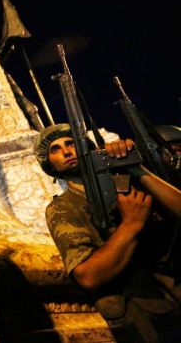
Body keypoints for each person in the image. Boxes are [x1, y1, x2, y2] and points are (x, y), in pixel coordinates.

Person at [36, 123, 181, 342]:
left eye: (71, 143)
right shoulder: (63, 208)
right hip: (145, 308)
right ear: (50, 165)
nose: (66, 152)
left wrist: (136, 168)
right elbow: (89, 276)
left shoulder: (125, 181)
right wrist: (130, 224)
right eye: (55, 149)